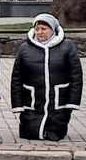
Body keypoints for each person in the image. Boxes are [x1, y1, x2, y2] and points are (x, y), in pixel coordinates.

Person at [9, 14, 80, 142]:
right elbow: (17, 78)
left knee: (56, 133)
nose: (39, 32)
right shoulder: (25, 48)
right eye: (37, 29)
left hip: (58, 100)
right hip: (33, 100)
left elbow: (76, 76)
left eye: (43, 29)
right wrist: (17, 104)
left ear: (52, 30)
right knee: (30, 133)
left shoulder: (67, 47)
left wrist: (72, 101)